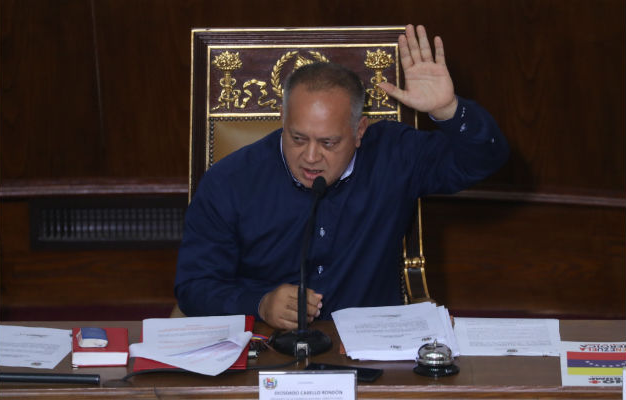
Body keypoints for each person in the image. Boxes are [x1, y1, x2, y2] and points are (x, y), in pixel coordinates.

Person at [175, 24, 509, 329]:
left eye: (329, 142)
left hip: (373, 351)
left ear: (359, 130)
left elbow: (483, 160)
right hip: (267, 347)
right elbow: (194, 287)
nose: (310, 157)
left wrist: (448, 110)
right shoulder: (229, 181)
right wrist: (260, 304)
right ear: (282, 118)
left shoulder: (394, 155)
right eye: (297, 137)